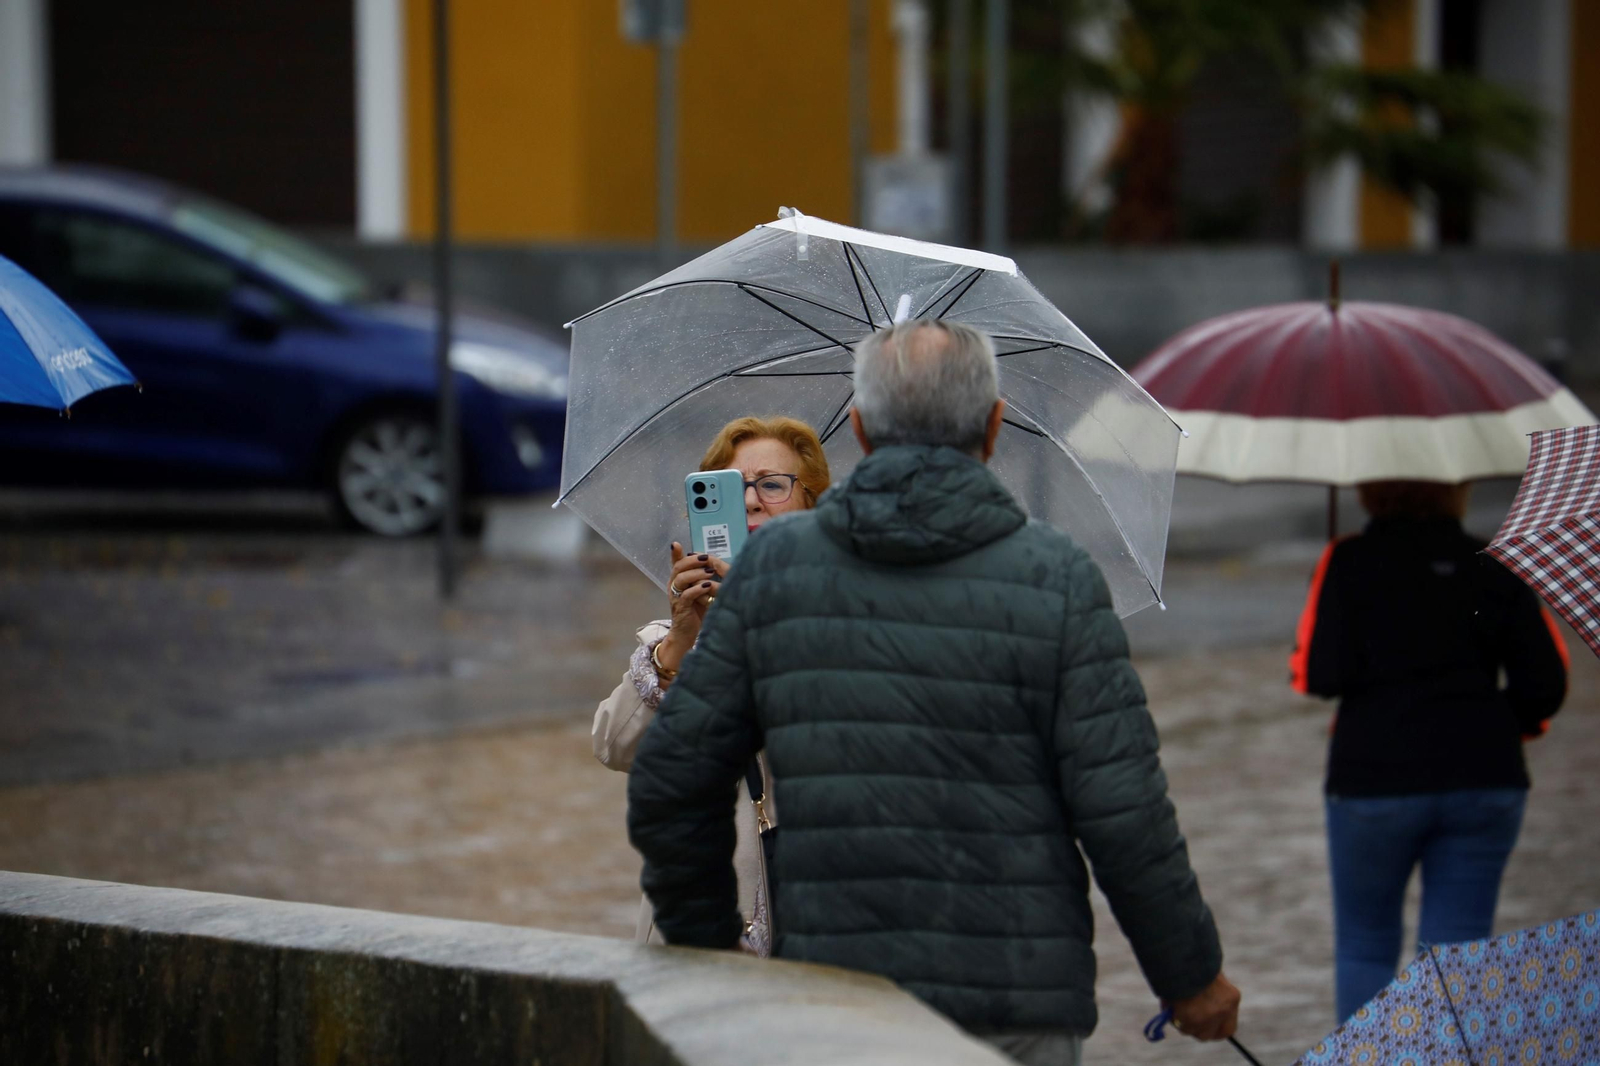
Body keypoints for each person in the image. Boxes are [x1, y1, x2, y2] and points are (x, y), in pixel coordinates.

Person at [625, 321, 1238, 1066]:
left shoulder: (776, 573)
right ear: (994, 424)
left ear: (857, 425)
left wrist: (711, 950)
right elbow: (1124, 809)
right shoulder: (1058, 579)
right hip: (1014, 1004)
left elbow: (671, 783)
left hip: (836, 1009)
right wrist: (1190, 975)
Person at [1291, 480, 1569, 1022]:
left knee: (1366, 946)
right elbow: (1546, 685)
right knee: (1456, 957)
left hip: (1373, 782)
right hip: (1484, 780)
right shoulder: (1495, 563)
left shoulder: (1347, 560)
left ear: (1371, 489)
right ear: (1456, 486)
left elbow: (1321, 674)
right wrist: (1491, 725)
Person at [591, 415, 831, 955]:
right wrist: (679, 641)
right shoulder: (679, 640)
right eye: (728, 489)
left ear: (811, 506)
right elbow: (613, 746)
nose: (749, 503)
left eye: (772, 485)